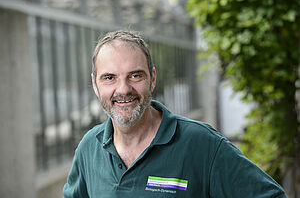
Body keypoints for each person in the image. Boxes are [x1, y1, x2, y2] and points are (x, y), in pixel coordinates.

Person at [63, 30, 286, 198]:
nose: (123, 89)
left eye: (135, 76)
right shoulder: (89, 148)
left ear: (152, 78)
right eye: (109, 77)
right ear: (95, 84)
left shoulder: (201, 143)